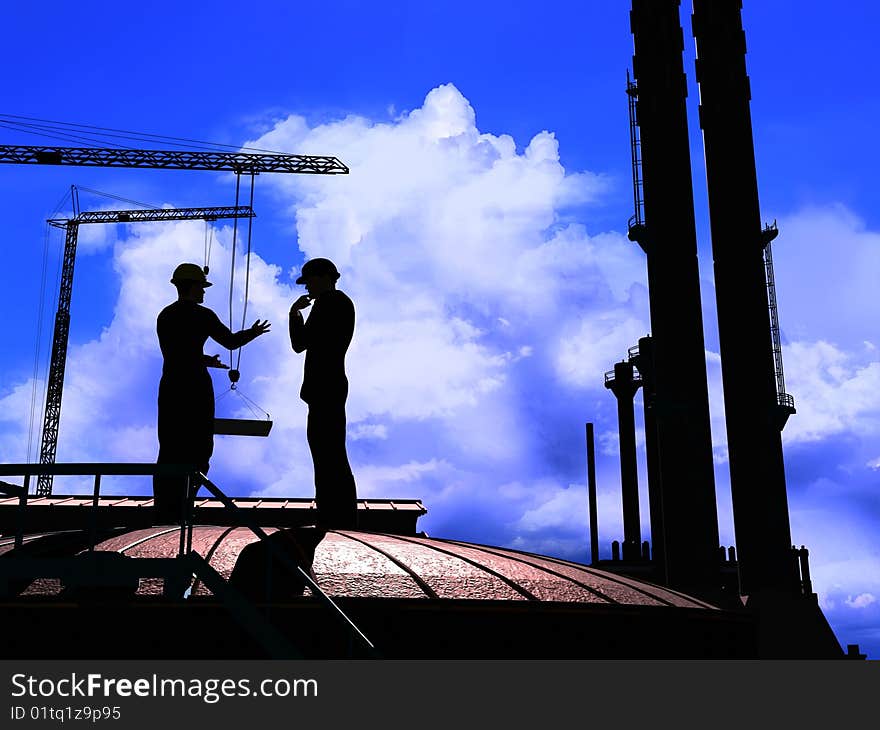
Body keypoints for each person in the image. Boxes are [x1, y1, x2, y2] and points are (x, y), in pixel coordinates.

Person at [154, 262, 270, 523]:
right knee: (198, 446)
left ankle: (165, 509)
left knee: (170, 445)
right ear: (193, 287)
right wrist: (253, 332)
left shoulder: (165, 315)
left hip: (171, 385)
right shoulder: (202, 315)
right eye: (202, 287)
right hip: (194, 386)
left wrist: (203, 358)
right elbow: (230, 341)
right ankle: (185, 506)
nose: (204, 292)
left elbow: (178, 352)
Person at [289, 257, 358, 529]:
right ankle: (336, 514)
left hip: (324, 388)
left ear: (321, 278)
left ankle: (334, 516)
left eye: (309, 282)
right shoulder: (339, 303)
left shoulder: (329, 303)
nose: (307, 288)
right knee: (330, 454)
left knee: (327, 455)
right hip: (329, 387)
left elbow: (299, 344)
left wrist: (295, 314)